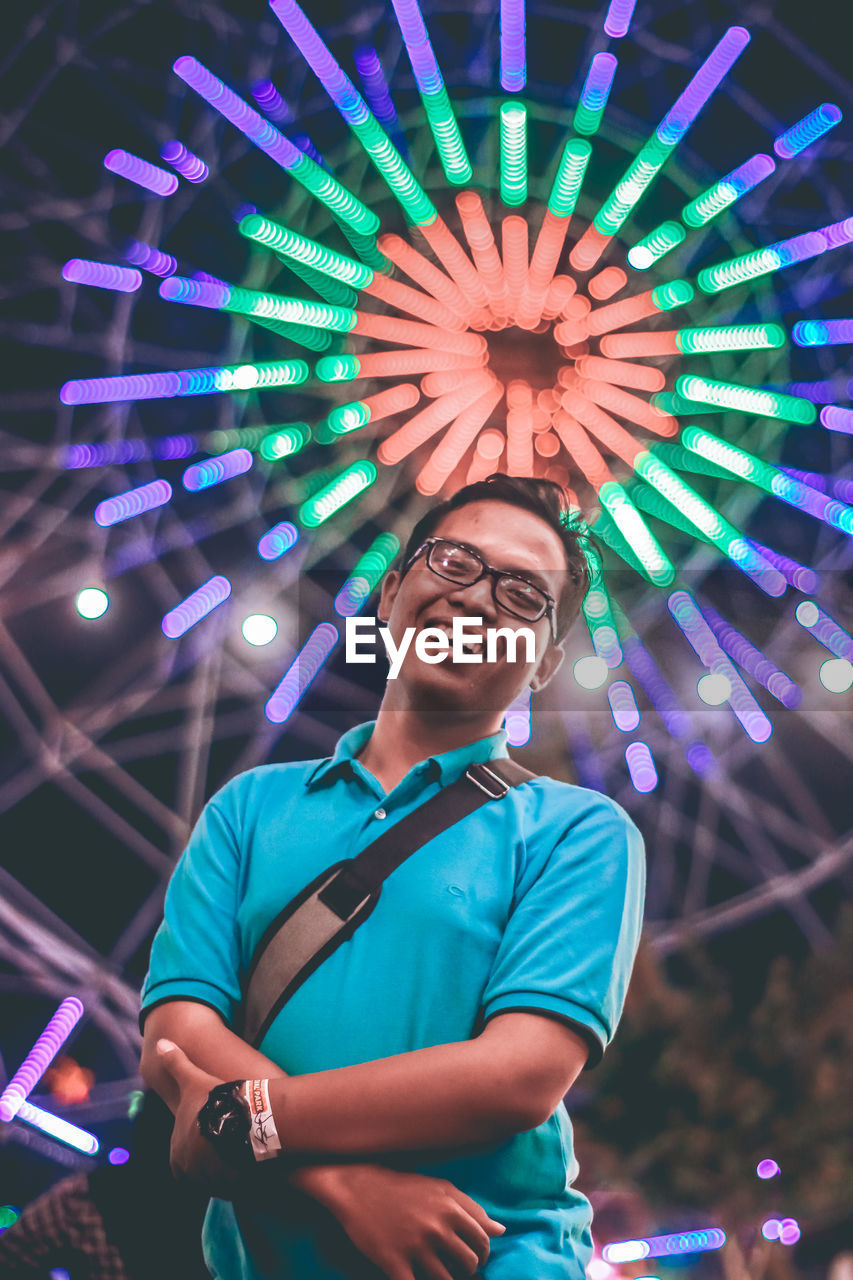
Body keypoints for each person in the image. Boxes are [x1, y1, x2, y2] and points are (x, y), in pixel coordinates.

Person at [139, 474, 646, 1280]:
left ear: (545, 661)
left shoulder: (577, 832)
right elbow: (173, 1035)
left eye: (522, 593)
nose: (478, 601)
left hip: (489, 1259)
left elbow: (516, 1075)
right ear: (389, 591)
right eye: (453, 563)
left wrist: (239, 1117)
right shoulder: (248, 808)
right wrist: (346, 1185)